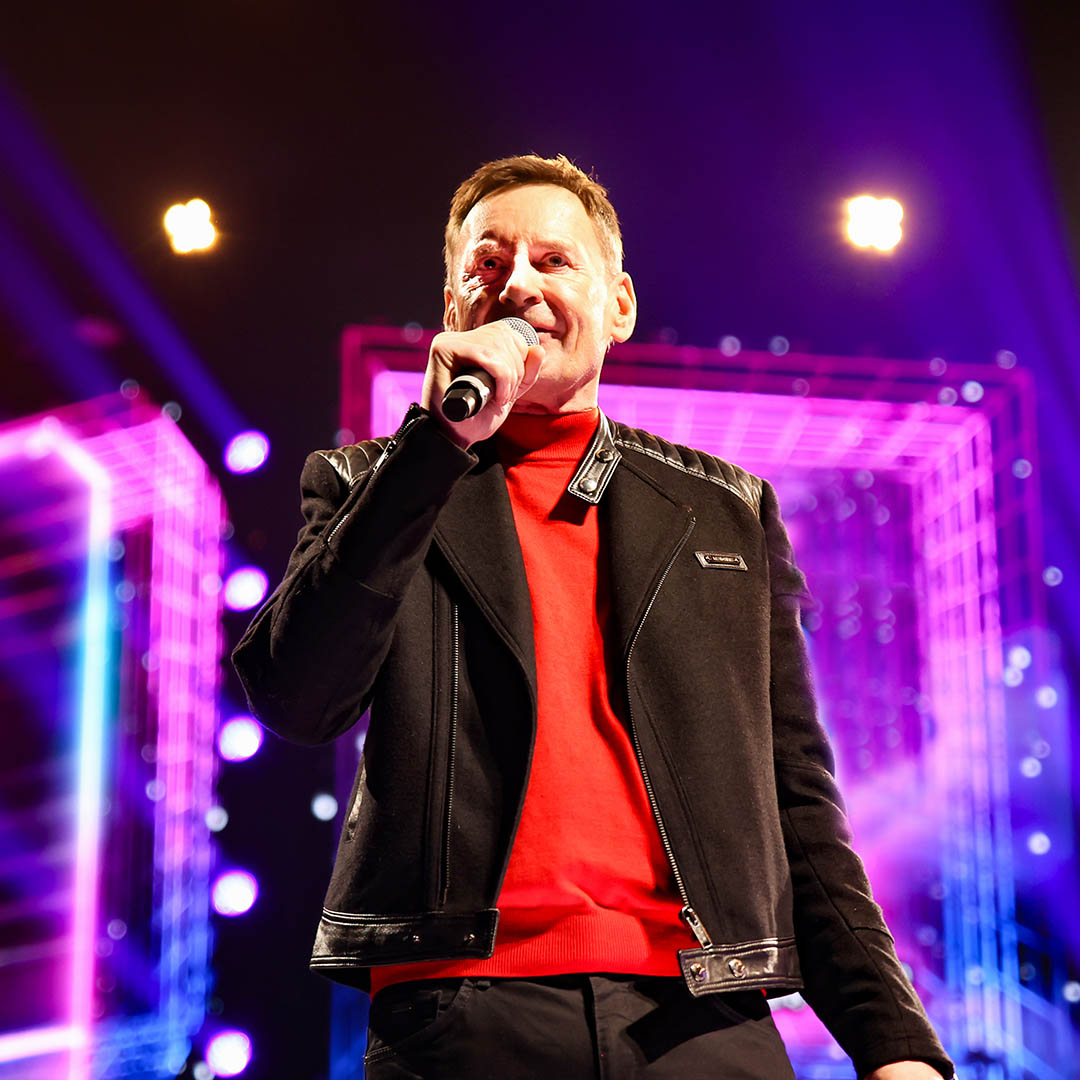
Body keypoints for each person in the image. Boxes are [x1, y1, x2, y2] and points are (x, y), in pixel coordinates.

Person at [233, 154, 954, 1079]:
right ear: (453, 309)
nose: (518, 285)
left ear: (619, 306)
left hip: (705, 1016)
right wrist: (432, 449)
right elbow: (297, 698)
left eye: (553, 261)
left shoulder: (724, 511)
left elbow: (796, 798)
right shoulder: (365, 487)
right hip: (458, 1012)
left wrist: (893, 1041)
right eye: (487, 264)